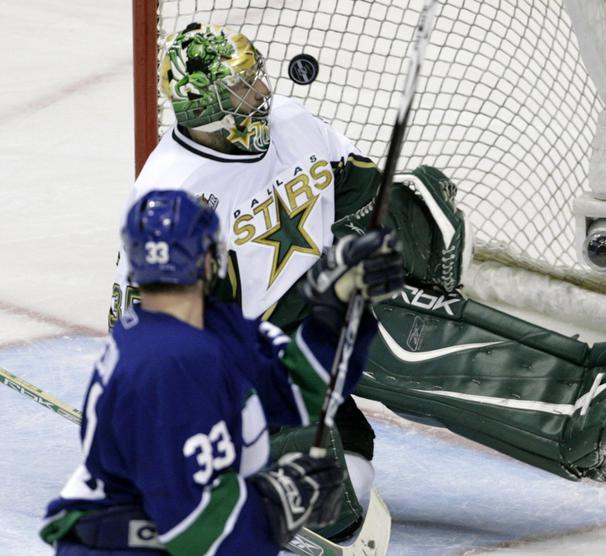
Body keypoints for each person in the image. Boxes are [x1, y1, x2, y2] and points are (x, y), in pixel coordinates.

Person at [109, 23, 606, 538]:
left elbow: (361, 186)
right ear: (212, 108)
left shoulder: (291, 124)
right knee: (332, 498)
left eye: (257, 76)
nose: (263, 91)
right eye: (245, 87)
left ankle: (595, 410)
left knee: (417, 346)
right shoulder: (171, 201)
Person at [41, 190, 403, 555]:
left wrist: (335, 311)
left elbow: (295, 387)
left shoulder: (205, 327)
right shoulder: (163, 371)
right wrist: (278, 503)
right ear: (210, 260)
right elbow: (187, 528)